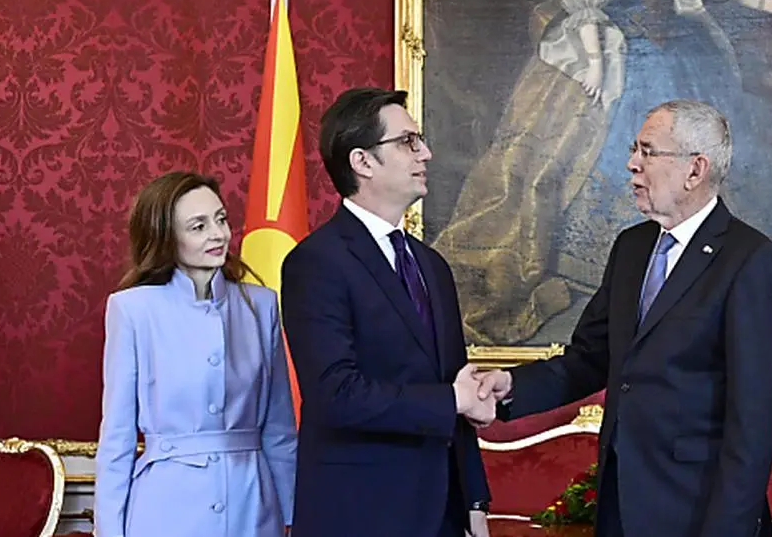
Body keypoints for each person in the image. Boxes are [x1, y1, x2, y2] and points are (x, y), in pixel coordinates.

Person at [431, 0, 772, 345]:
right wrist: (595, 64)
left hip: (684, 51)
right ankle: (611, 261)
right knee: (616, 144)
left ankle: (699, 256)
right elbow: (587, 5)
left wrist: (767, 5)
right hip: (625, 54)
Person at [478, 100, 772, 537]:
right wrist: (512, 386)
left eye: (648, 151)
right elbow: (592, 357)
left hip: (696, 512)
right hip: (621, 505)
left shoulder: (749, 259)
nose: (632, 164)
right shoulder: (632, 247)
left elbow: (752, 419)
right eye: (634, 150)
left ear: (695, 170)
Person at [280, 87, 493, 537]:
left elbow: (456, 382)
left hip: (445, 512)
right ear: (362, 161)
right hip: (361, 512)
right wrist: (452, 400)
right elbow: (335, 393)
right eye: (408, 142)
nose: (426, 153)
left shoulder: (431, 265)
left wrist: (475, 498)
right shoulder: (316, 262)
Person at [95, 172, 297, 537]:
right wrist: (109, 529)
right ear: (166, 237)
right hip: (165, 508)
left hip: (252, 504)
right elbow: (117, 437)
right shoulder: (133, 310)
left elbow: (279, 429)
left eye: (221, 219)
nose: (218, 234)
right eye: (198, 226)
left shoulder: (261, 306)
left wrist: (292, 516)